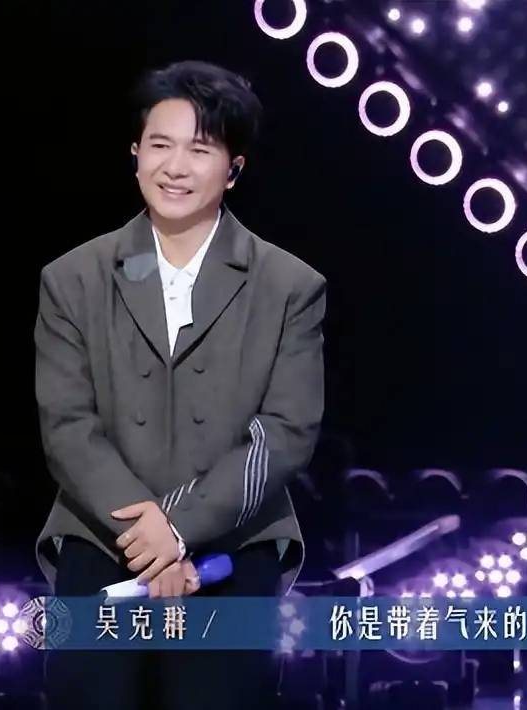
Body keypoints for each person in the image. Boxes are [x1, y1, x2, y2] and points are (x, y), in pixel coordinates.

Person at [34, 60, 326, 709]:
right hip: (102, 537)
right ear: (135, 153)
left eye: (200, 149)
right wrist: (149, 536)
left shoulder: (289, 286)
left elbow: (285, 432)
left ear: (234, 168)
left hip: (232, 543)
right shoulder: (73, 278)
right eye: (159, 145)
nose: (174, 167)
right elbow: (67, 426)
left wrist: (180, 528)